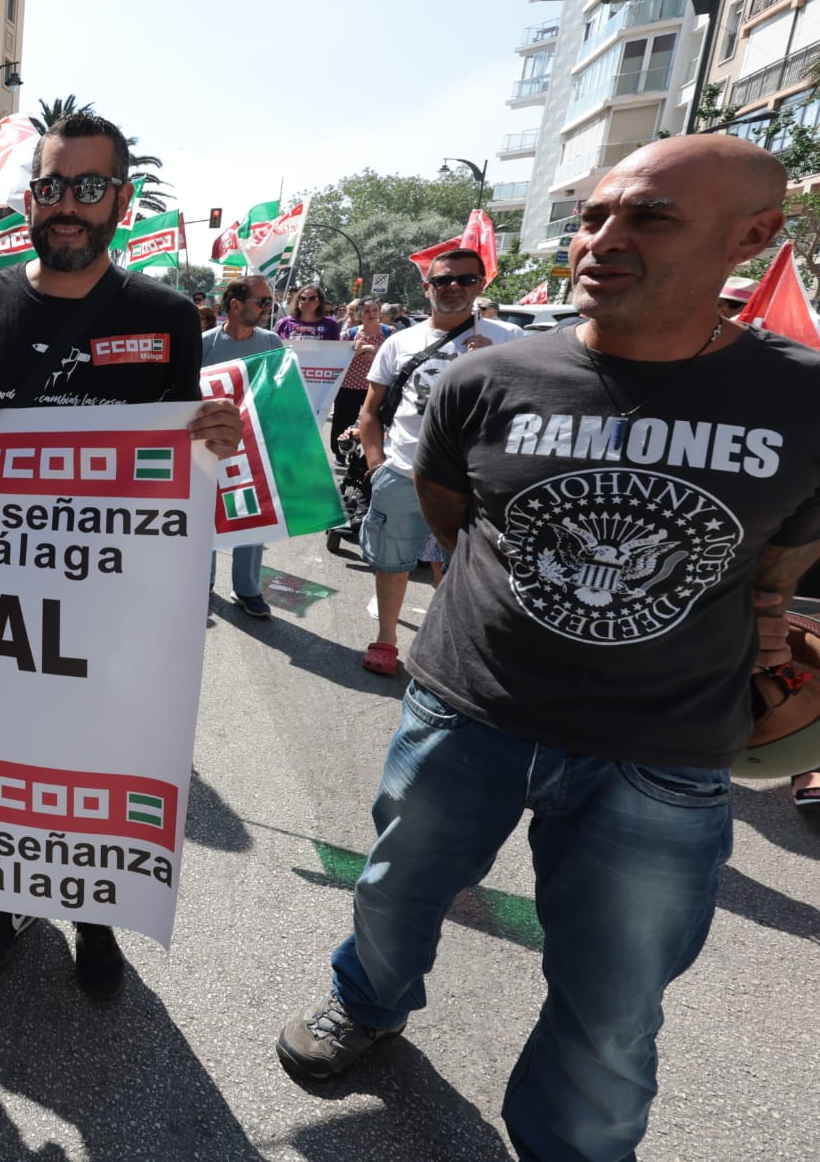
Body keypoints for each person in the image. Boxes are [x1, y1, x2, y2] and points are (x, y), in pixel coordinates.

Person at [275, 135, 820, 1159]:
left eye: (646, 215)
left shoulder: (801, 400)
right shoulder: (485, 380)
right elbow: (450, 519)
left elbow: (781, 562)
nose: (601, 239)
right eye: (592, 215)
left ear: (751, 236)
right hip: (464, 717)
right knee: (392, 892)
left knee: (612, 1010)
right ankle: (367, 1001)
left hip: (660, 757)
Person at [0, 110, 244, 1000]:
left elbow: (187, 458)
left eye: (89, 187)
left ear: (122, 200)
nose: (68, 206)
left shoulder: (166, 316)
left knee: (98, 763)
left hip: (114, 609)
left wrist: (217, 438)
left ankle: (94, 913)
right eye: (53, 187)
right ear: (31, 199)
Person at [354, 250, 524, 675]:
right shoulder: (400, 342)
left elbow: (528, 412)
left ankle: (442, 643)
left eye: (466, 280)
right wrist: (377, 465)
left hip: (475, 480)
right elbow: (371, 410)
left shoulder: (509, 342)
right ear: (427, 288)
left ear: (481, 285)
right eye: (443, 281)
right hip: (402, 472)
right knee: (391, 562)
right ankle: (386, 639)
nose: (454, 288)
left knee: (464, 567)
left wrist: (493, 366)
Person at [203, 276, 284, 619]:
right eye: (262, 302)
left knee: (252, 516)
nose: (269, 309)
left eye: (270, 302)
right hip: (209, 445)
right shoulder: (203, 344)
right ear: (236, 305)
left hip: (255, 446)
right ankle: (200, 583)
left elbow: (280, 391)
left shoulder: (272, 341)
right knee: (205, 516)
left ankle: (247, 589)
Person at [331, 299, 387, 449]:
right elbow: (339, 358)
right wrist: (358, 351)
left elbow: (394, 358)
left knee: (376, 421)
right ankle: (340, 450)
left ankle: (371, 453)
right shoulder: (350, 334)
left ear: (380, 312)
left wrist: (376, 353)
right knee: (343, 420)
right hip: (349, 385)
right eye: (367, 311)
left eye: (375, 310)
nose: (371, 314)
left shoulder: (389, 333)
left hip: (378, 386)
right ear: (359, 314)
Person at [273, 284, 341, 340]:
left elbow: (337, 351)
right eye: (302, 298)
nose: (306, 302)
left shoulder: (331, 324)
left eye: (312, 298)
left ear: (320, 302)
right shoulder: (284, 323)